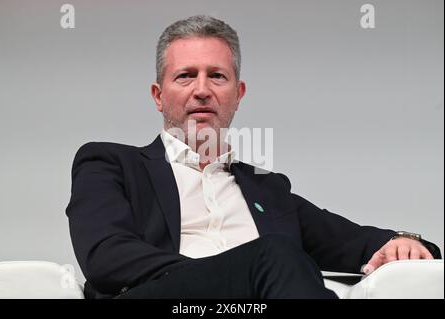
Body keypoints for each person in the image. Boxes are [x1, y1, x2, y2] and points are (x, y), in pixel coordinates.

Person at [66, 15, 441, 299]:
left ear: (238, 93)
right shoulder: (110, 164)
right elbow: (106, 257)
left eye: (217, 76)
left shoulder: (268, 190)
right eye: (185, 76)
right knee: (277, 256)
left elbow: (353, 240)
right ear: (158, 95)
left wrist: (404, 241)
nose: (201, 90)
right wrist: (237, 275)